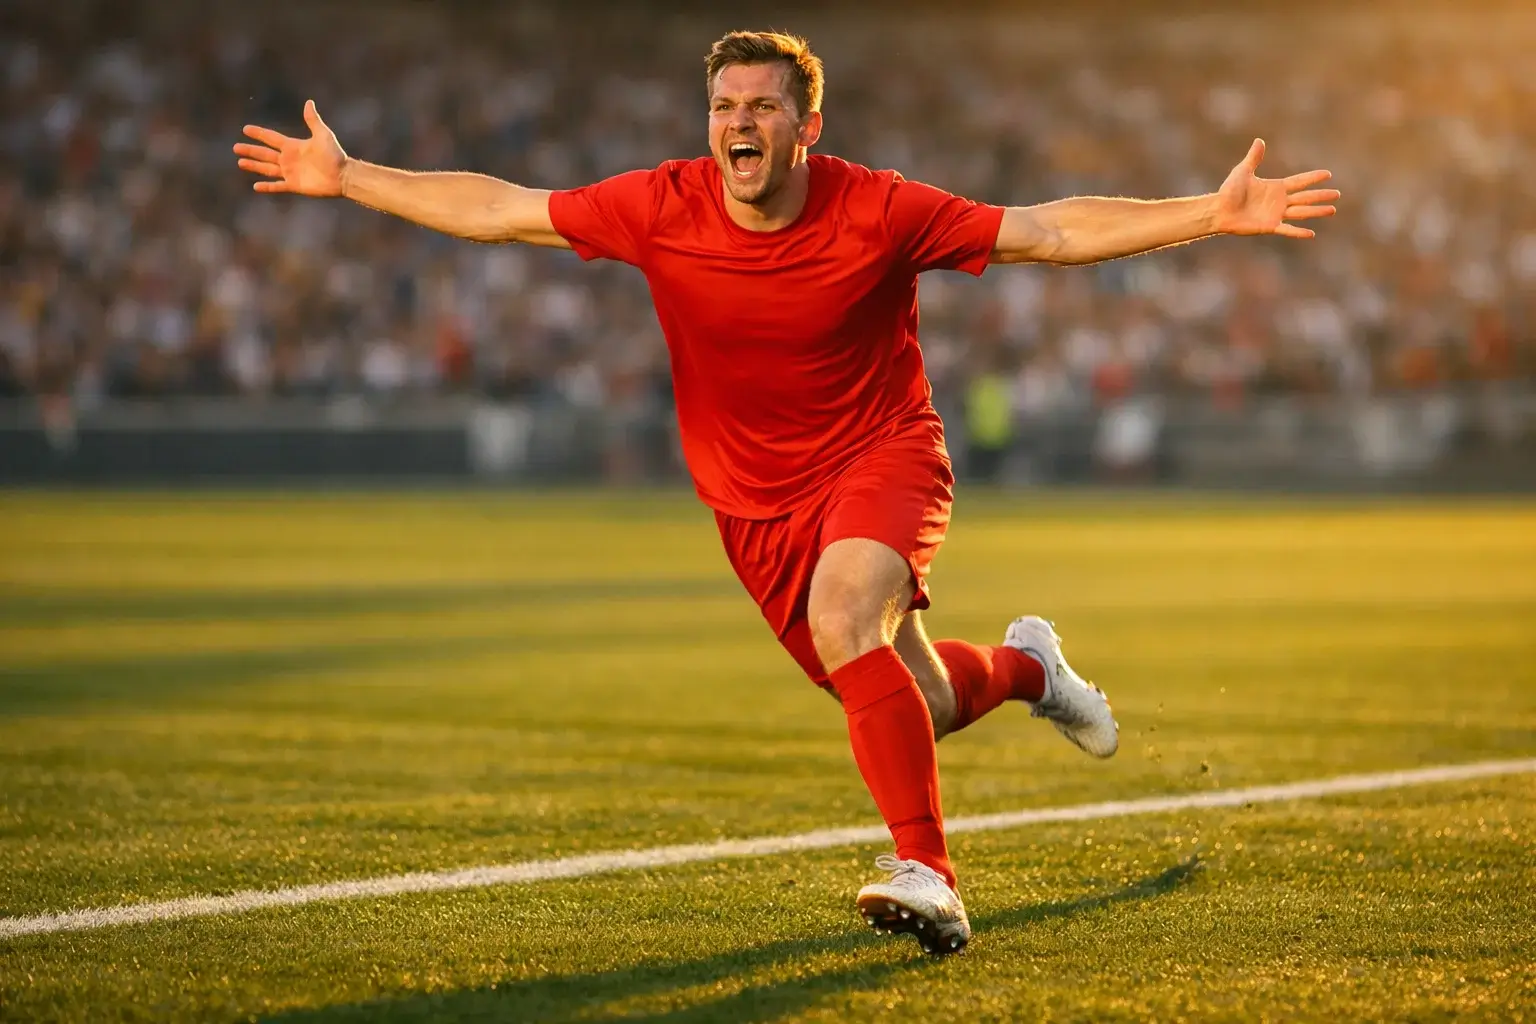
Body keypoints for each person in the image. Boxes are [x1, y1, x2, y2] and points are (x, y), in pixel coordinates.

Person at [234, 30, 1338, 954]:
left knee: (847, 614)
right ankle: (1028, 665)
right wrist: (351, 178)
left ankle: (930, 872)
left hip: (882, 452)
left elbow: (1044, 231)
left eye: (763, 104)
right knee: (923, 701)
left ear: (808, 125)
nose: (739, 122)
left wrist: (1208, 210)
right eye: (723, 105)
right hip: (751, 507)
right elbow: (502, 208)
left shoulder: (879, 208)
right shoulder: (658, 205)